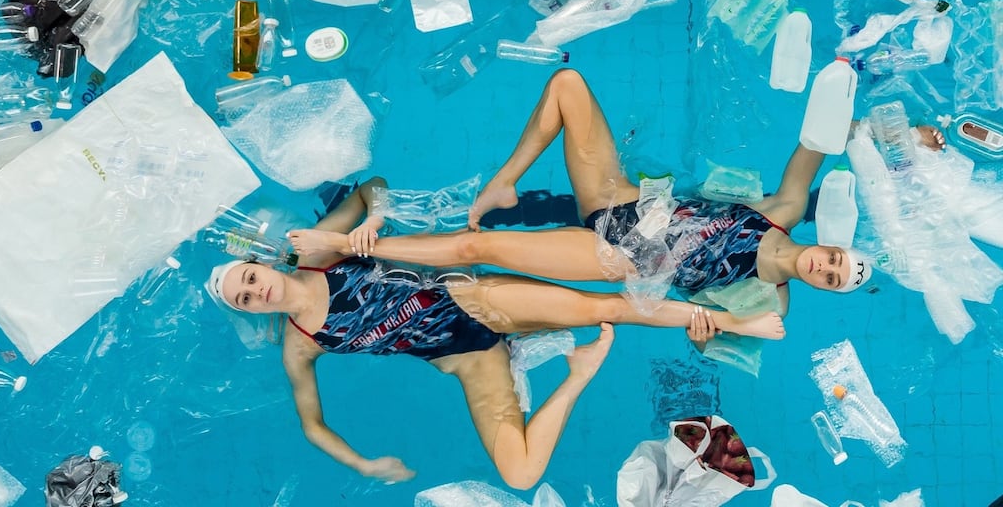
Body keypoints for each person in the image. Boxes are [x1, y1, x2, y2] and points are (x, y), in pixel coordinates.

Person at [205, 177, 785, 490]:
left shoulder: (315, 253)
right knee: (521, 473)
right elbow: (311, 424)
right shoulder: (300, 344)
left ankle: (737, 320)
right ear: (251, 311)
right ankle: (578, 375)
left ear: (265, 267)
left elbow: (369, 186)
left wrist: (373, 220)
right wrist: (361, 465)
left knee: (607, 308)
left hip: (477, 300)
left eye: (250, 279)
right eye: (246, 300)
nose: (257, 293)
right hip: (463, 357)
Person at [289, 69, 947, 344]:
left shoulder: (769, 305)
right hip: (623, 201)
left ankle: (345, 247)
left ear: (821, 287)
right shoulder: (787, 207)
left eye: (830, 278)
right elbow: (824, 138)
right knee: (568, 84)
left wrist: (710, 330)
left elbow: (698, 329)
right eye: (835, 260)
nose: (824, 267)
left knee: (475, 250)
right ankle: (504, 185)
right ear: (833, 244)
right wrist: (902, 138)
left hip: (616, 254)